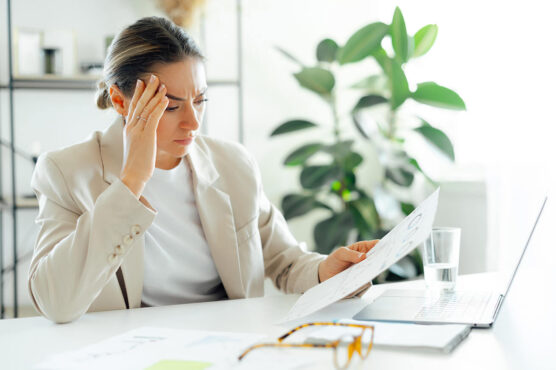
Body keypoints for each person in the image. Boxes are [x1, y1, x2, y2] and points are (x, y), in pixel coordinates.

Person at [28, 16, 377, 324]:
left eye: (200, 101)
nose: (193, 122)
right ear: (120, 101)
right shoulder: (66, 172)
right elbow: (56, 303)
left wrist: (323, 271)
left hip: (228, 345)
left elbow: (284, 260)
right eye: (171, 106)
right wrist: (131, 181)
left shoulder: (233, 164)